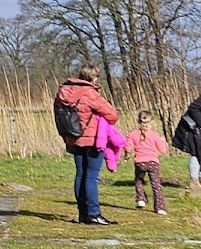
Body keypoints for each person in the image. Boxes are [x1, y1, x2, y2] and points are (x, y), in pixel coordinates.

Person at [54, 67, 119, 225]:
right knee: (91, 177)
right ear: (93, 78)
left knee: (80, 175)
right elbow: (112, 114)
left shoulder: (63, 92)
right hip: (92, 140)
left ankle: (83, 213)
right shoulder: (89, 93)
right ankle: (94, 213)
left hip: (74, 138)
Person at [123, 110, 169, 213]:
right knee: (156, 185)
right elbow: (163, 150)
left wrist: (126, 157)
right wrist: (162, 141)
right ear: (151, 122)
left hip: (140, 162)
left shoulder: (133, 134)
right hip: (153, 162)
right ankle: (160, 207)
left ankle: (141, 199)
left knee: (138, 180)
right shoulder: (155, 135)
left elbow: (128, 147)